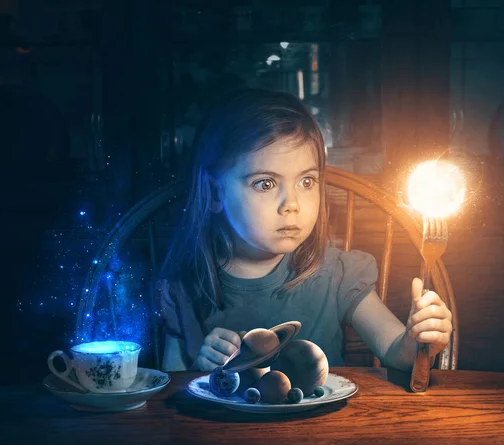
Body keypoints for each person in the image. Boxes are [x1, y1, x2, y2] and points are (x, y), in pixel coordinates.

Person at [156, 88, 452, 372]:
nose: (292, 204)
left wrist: (420, 340)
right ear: (216, 193)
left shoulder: (337, 273)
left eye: (307, 181)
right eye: (265, 183)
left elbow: (395, 351)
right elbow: (170, 395)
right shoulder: (184, 288)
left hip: (329, 425)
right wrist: (201, 369)